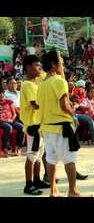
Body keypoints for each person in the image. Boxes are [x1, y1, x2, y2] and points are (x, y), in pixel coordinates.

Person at [37, 50, 91, 197]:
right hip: (61, 126)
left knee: (51, 159)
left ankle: (53, 190)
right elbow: (63, 105)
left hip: (47, 127)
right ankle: (73, 190)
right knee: (70, 159)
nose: (62, 64)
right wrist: (73, 111)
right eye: (60, 61)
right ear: (54, 64)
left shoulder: (41, 84)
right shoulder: (59, 80)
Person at [21, 55, 50, 195]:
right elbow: (36, 104)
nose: (40, 68)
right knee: (32, 156)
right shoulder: (28, 84)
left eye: (40, 65)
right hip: (33, 125)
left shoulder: (36, 82)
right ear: (28, 67)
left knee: (39, 155)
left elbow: (45, 76)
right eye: (37, 65)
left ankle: (37, 179)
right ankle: (28, 184)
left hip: (40, 125)